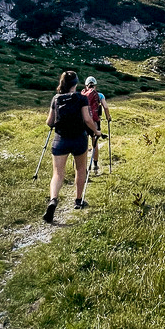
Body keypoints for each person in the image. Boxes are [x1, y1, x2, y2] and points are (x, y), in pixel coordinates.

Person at [43, 70, 101, 224]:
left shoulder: (56, 98)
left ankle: (53, 200)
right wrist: (96, 131)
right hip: (78, 139)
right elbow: (88, 120)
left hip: (60, 140)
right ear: (75, 83)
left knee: (57, 174)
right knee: (80, 169)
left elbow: (49, 122)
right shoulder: (81, 98)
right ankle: (78, 200)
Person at [82, 75, 111, 174]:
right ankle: (95, 164)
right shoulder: (100, 95)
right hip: (95, 121)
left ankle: (83, 166)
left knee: (84, 144)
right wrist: (108, 117)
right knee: (94, 142)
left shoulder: (82, 94)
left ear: (86, 85)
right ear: (95, 86)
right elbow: (105, 107)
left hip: (84, 122)